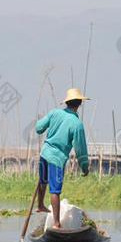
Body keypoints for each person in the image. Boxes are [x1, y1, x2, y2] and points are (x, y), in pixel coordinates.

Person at [35, 88, 90, 229]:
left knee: (43, 180)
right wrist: (85, 167)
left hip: (44, 153)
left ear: (66, 103)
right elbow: (80, 149)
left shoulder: (55, 113)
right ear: (79, 104)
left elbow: (38, 127)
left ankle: (40, 205)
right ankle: (56, 223)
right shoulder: (77, 124)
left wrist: (46, 128)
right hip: (57, 159)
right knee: (55, 190)